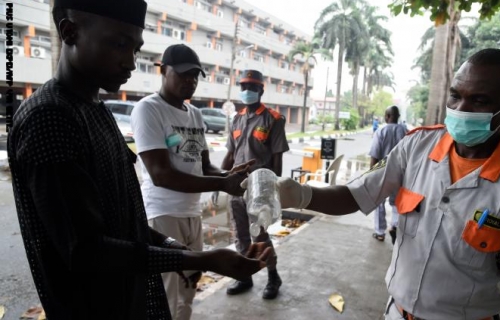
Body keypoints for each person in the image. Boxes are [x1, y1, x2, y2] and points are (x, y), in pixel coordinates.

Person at [259, 49, 500, 319]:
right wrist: (298, 194)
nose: (461, 109)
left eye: (479, 100)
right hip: (397, 312)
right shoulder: (416, 146)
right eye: (456, 95)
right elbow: (356, 196)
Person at [7, 1, 272, 319]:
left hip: (124, 299)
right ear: (70, 31)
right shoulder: (49, 118)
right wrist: (198, 260)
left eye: (135, 49)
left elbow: (125, 222)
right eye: (119, 44)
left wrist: (186, 252)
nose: (131, 64)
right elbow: (86, 251)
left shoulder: (95, 109)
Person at [131, 44, 254, 320]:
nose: (191, 81)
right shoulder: (148, 110)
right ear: (163, 71)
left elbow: (204, 166)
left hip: (191, 214)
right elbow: (160, 175)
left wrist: (230, 175)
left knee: (188, 286)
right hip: (162, 216)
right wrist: (222, 185)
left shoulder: (195, 114)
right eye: (184, 74)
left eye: (195, 76)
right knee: (167, 294)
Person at [221, 70, 290, 299]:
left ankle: (273, 276)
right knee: (240, 236)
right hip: (235, 187)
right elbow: (230, 155)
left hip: (258, 191)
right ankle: (244, 277)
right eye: (243, 87)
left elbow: (277, 165)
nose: (247, 91)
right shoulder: (237, 118)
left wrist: (267, 190)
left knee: (260, 237)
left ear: (261, 90)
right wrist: (219, 181)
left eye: (252, 87)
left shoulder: (273, 119)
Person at [370, 106, 407, 244]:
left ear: (387, 116)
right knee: (397, 202)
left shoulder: (381, 131)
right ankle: (395, 226)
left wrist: (371, 175)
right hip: (401, 173)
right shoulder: (405, 131)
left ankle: (380, 232)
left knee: (379, 202)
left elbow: (374, 154)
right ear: (397, 116)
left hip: (382, 172)